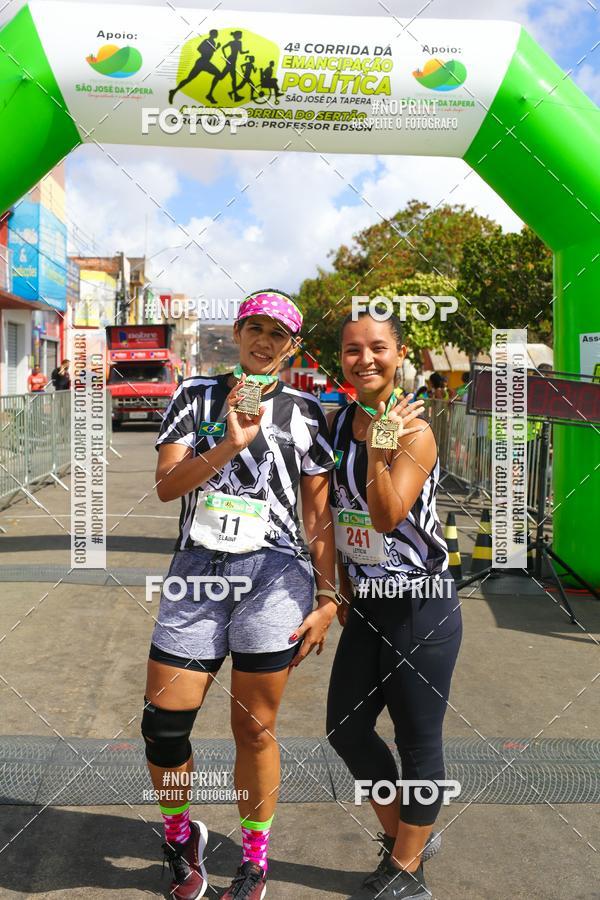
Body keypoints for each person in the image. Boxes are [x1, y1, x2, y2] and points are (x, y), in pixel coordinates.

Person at [143, 289, 338, 900]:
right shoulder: (195, 395)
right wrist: (227, 443)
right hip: (198, 570)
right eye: (255, 328)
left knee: (254, 729)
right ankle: (182, 837)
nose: (264, 342)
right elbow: (167, 488)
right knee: (164, 725)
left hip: (275, 577)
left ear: (291, 346)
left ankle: (254, 858)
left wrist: (330, 599)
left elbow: (319, 513)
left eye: (278, 335)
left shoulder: (308, 412)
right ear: (237, 330)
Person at [327, 309, 462, 900]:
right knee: (346, 728)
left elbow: (386, 514)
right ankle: (407, 837)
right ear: (342, 359)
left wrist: (380, 452)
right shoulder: (337, 426)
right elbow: (335, 515)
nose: (366, 359)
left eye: (377, 347)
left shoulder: (414, 430)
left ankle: (408, 871)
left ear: (399, 352)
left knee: (417, 740)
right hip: (369, 605)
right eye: (353, 350)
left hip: (419, 606)